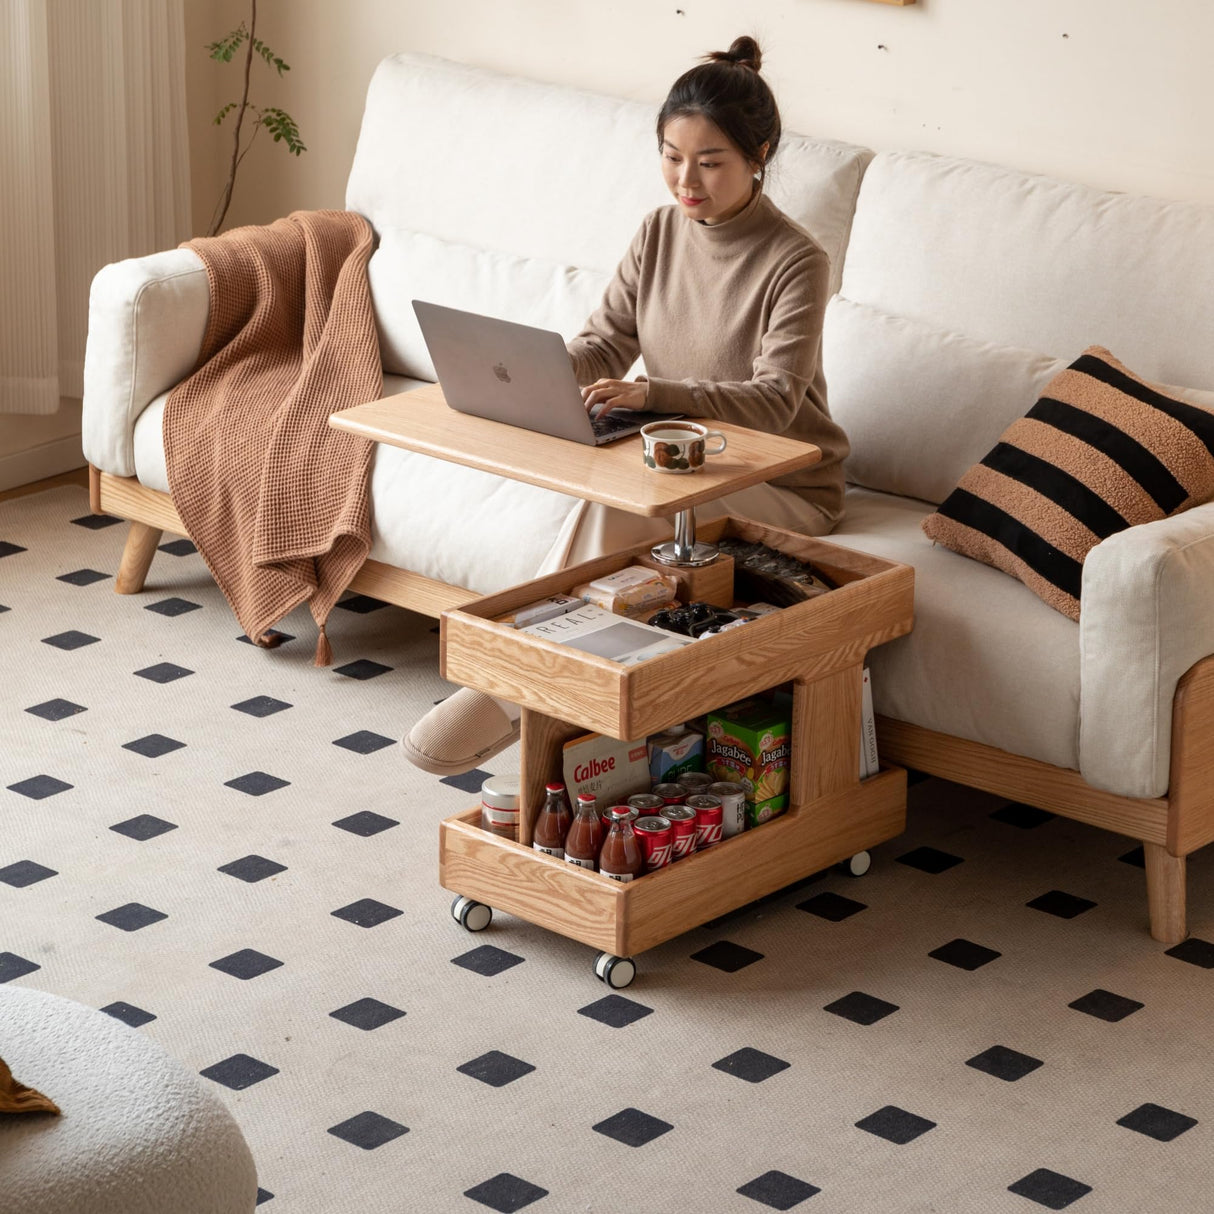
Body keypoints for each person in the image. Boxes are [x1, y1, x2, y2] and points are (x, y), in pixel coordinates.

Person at [402, 34, 850, 775]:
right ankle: (538, 686)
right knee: (617, 502)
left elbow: (774, 403)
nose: (687, 180)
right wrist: (529, 371)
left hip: (782, 482)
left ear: (759, 153)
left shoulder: (796, 258)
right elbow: (606, 341)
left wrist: (654, 394)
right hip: (678, 460)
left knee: (627, 506)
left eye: (710, 162)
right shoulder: (657, 230)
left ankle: (508, 683)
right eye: (672, 157)